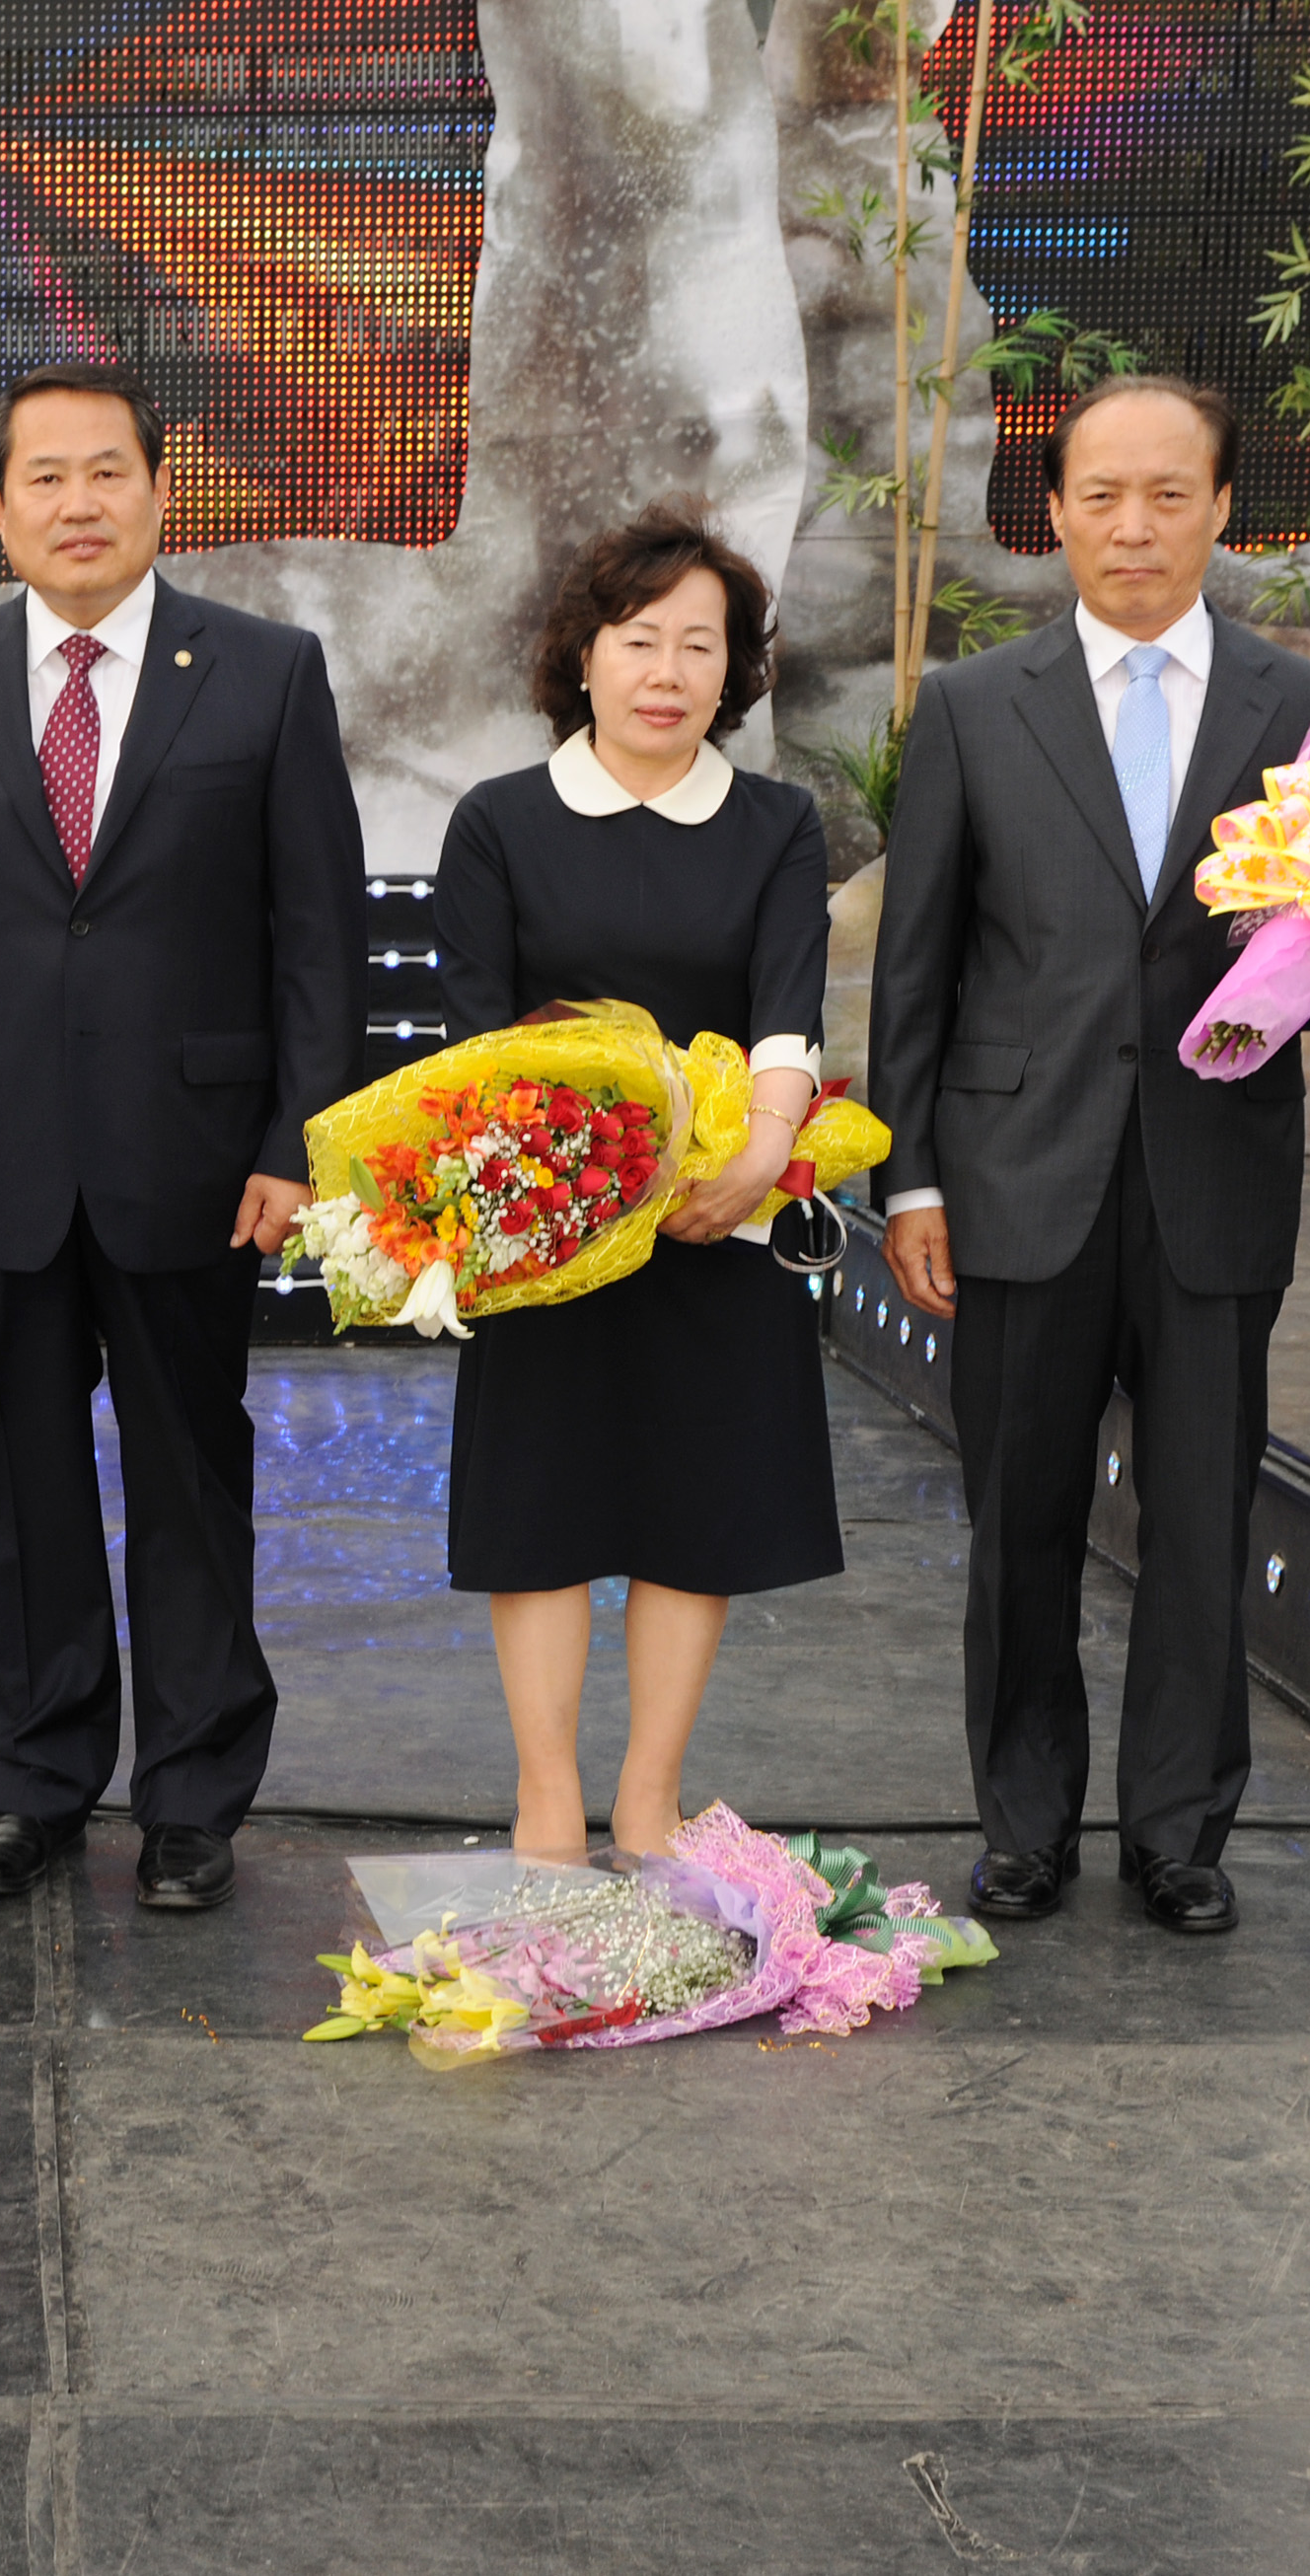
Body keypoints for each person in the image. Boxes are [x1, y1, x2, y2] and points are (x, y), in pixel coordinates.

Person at [870, 375, 1310, 1937]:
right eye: (1100, 494)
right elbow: (917, 965)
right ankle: (1021, 1825)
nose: (1133, 526)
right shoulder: (973, 705)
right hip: (1017, 1177)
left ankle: (1180, 1833)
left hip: (1213, 1176)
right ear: (1051, 512)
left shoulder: (1306, 714)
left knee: (1200, 1526)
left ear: (1223, 510)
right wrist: (907, 1179)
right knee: (1017, 1529)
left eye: (1168, 494)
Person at [0, 361, 370, 1913]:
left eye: (105, 472)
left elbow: (317, 935)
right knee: (16, 1479)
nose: (77, 502)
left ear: (160, 490)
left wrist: (300, 1141)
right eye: (43, 477)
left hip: (201, 1158)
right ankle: (37, 1779)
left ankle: (195, 1794)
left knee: (190, 1474)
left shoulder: (264, 671)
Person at [431, 506, 839, 1861]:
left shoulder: (775, 825)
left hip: (721, 1219)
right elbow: (474, 1043)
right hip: (546, 1225)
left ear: (734, 672)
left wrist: (757, 1155)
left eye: (697, 645)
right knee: (540, 1512)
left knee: (692, 1513)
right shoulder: (498, 821)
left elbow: (787, 1014)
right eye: (638, 638)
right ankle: (546, 1793)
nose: (665, 670)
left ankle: (650, 1797)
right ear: (584, 657)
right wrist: (573, 1180)